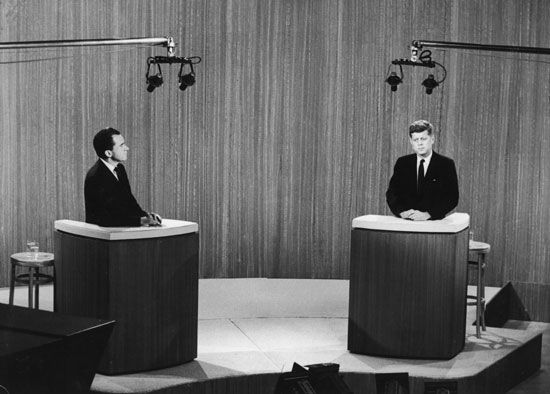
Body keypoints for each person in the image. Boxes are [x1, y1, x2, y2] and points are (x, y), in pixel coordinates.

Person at [84, 127, 162, 227]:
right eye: (121, 145)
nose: (127, 148)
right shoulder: (95, 177)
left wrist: (145, 215)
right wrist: (141, 221)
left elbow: (129, 201)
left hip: (120, 230)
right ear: (108, 153)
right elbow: (106, 217)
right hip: (102, 235)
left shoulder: (120, 169)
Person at [386, 120, 458, 221]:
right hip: (406, 222)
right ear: (411, 141)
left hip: (434, 224)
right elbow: (392, 193)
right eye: (416, 140)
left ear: (432, 139)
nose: (419, 143)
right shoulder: (402, 163)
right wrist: (401, 212)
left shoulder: (446, 164)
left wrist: (428, 214)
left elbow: (452, 198)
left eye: (423, 139)